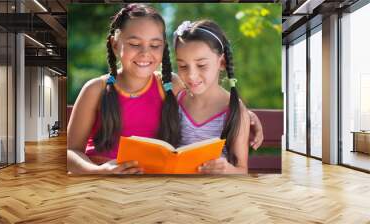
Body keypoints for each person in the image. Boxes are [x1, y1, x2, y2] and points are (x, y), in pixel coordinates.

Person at [67, 4, 263, 175]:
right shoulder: (96, 89)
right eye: (135, 44)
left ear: (164, 48)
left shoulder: (169, 85)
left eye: (155, 45)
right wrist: (99, 171)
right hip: (99, 183)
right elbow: (69, 152)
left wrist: (247, 115)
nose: (145, 53)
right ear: (115, 44)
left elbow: (207, 94)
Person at [173, 20, 251, 174]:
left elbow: (242, 170)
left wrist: (228, 170)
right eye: (182, 66)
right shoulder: (177, 97)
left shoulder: (234, 111)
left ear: (221, 62)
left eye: (201, 65)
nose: (191, 75)